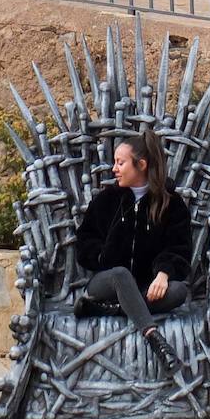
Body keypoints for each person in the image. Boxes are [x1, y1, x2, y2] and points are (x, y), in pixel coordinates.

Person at [74, 129, 191, 373]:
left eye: (120, 162)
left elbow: (179, 248)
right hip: (106, 284)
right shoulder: (107, 200)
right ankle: (155, 340)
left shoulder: (171, 204)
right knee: (120, 274)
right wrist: (102, 256)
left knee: (179, 290)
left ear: (141, 165)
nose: (114, 169)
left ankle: (112, 310)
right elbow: (84, 242)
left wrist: (163, 273)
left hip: (144, 289)